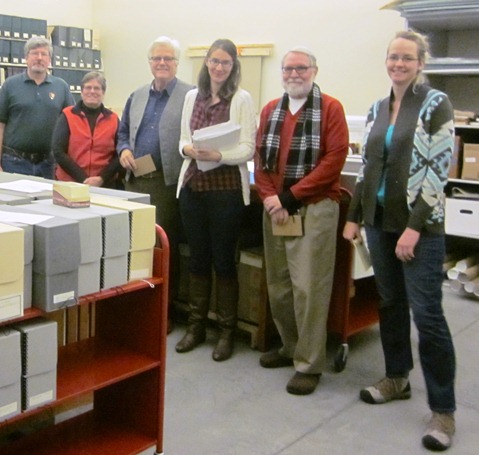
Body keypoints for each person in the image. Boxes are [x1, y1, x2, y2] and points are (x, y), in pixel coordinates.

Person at [343, 30, 456, 451]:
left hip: (419, 228)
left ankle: (443, 410)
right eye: (393, 57)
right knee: (389, 303)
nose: (399, 64)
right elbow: (369, 165)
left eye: (407, 58)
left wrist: (414, 226)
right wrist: (355, 217)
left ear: (420, 62)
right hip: (378, 221)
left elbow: (437, 171)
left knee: (428, 315)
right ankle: (396, 378)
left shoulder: (434, 104)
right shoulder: (376, 108)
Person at [254, 47, 348, 394]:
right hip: (275, 208)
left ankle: (309, 364)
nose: (294, 74)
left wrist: (288, 198)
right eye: (288, 68)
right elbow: (260, 157)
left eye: (301, 68)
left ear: (314, 70)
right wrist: (268, 198)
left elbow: (333, 161)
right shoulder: (270, 110)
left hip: (315, 207)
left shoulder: (330, 109)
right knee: (279, 285)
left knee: (309, 288)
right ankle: (291, 347)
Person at [174, 38, 256, 362]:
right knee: (196, 257)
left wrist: (218, 154)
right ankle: (196, 327)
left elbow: (248, 147)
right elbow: (182, 139)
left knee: (223, 260)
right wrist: (189, 151)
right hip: (193, 188)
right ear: (206, 62)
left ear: (233, 66)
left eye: (225, 62)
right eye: (214, 61)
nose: (218, 67)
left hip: (225, 192)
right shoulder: (192, 96)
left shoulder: (241, 99)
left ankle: (226, 332)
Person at [117, 36, 194, 332]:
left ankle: (164, 312)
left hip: (165, 185)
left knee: (162, 248)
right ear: (149, 62)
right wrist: (123, 149)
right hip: (134, 183)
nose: (162, 64)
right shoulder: (136, 95)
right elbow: (123, 131)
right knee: (134, 247)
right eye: (156, 59)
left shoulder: (189, 95)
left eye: (168, 59)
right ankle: (136, 307)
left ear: (176, 63)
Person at [0, 36, 74, 179]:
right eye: (34, 53)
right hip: (14, 163)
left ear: (50, 60)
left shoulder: (61, 87)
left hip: (49, 165)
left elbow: (72, 124)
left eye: (44, 54)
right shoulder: (10, 85)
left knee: (46, 202)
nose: (39, 58)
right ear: (26, 58)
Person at [52, 72, 121, 188]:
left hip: (104, 184)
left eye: (97, 88)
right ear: (82, 91)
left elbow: (120, 153)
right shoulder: (67, 115)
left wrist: (102, 178)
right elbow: (58, 151)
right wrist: (84, 179)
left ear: (103, 92)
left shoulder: (113, 119)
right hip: (70, 184)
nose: (92, 91)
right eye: (88, 87)